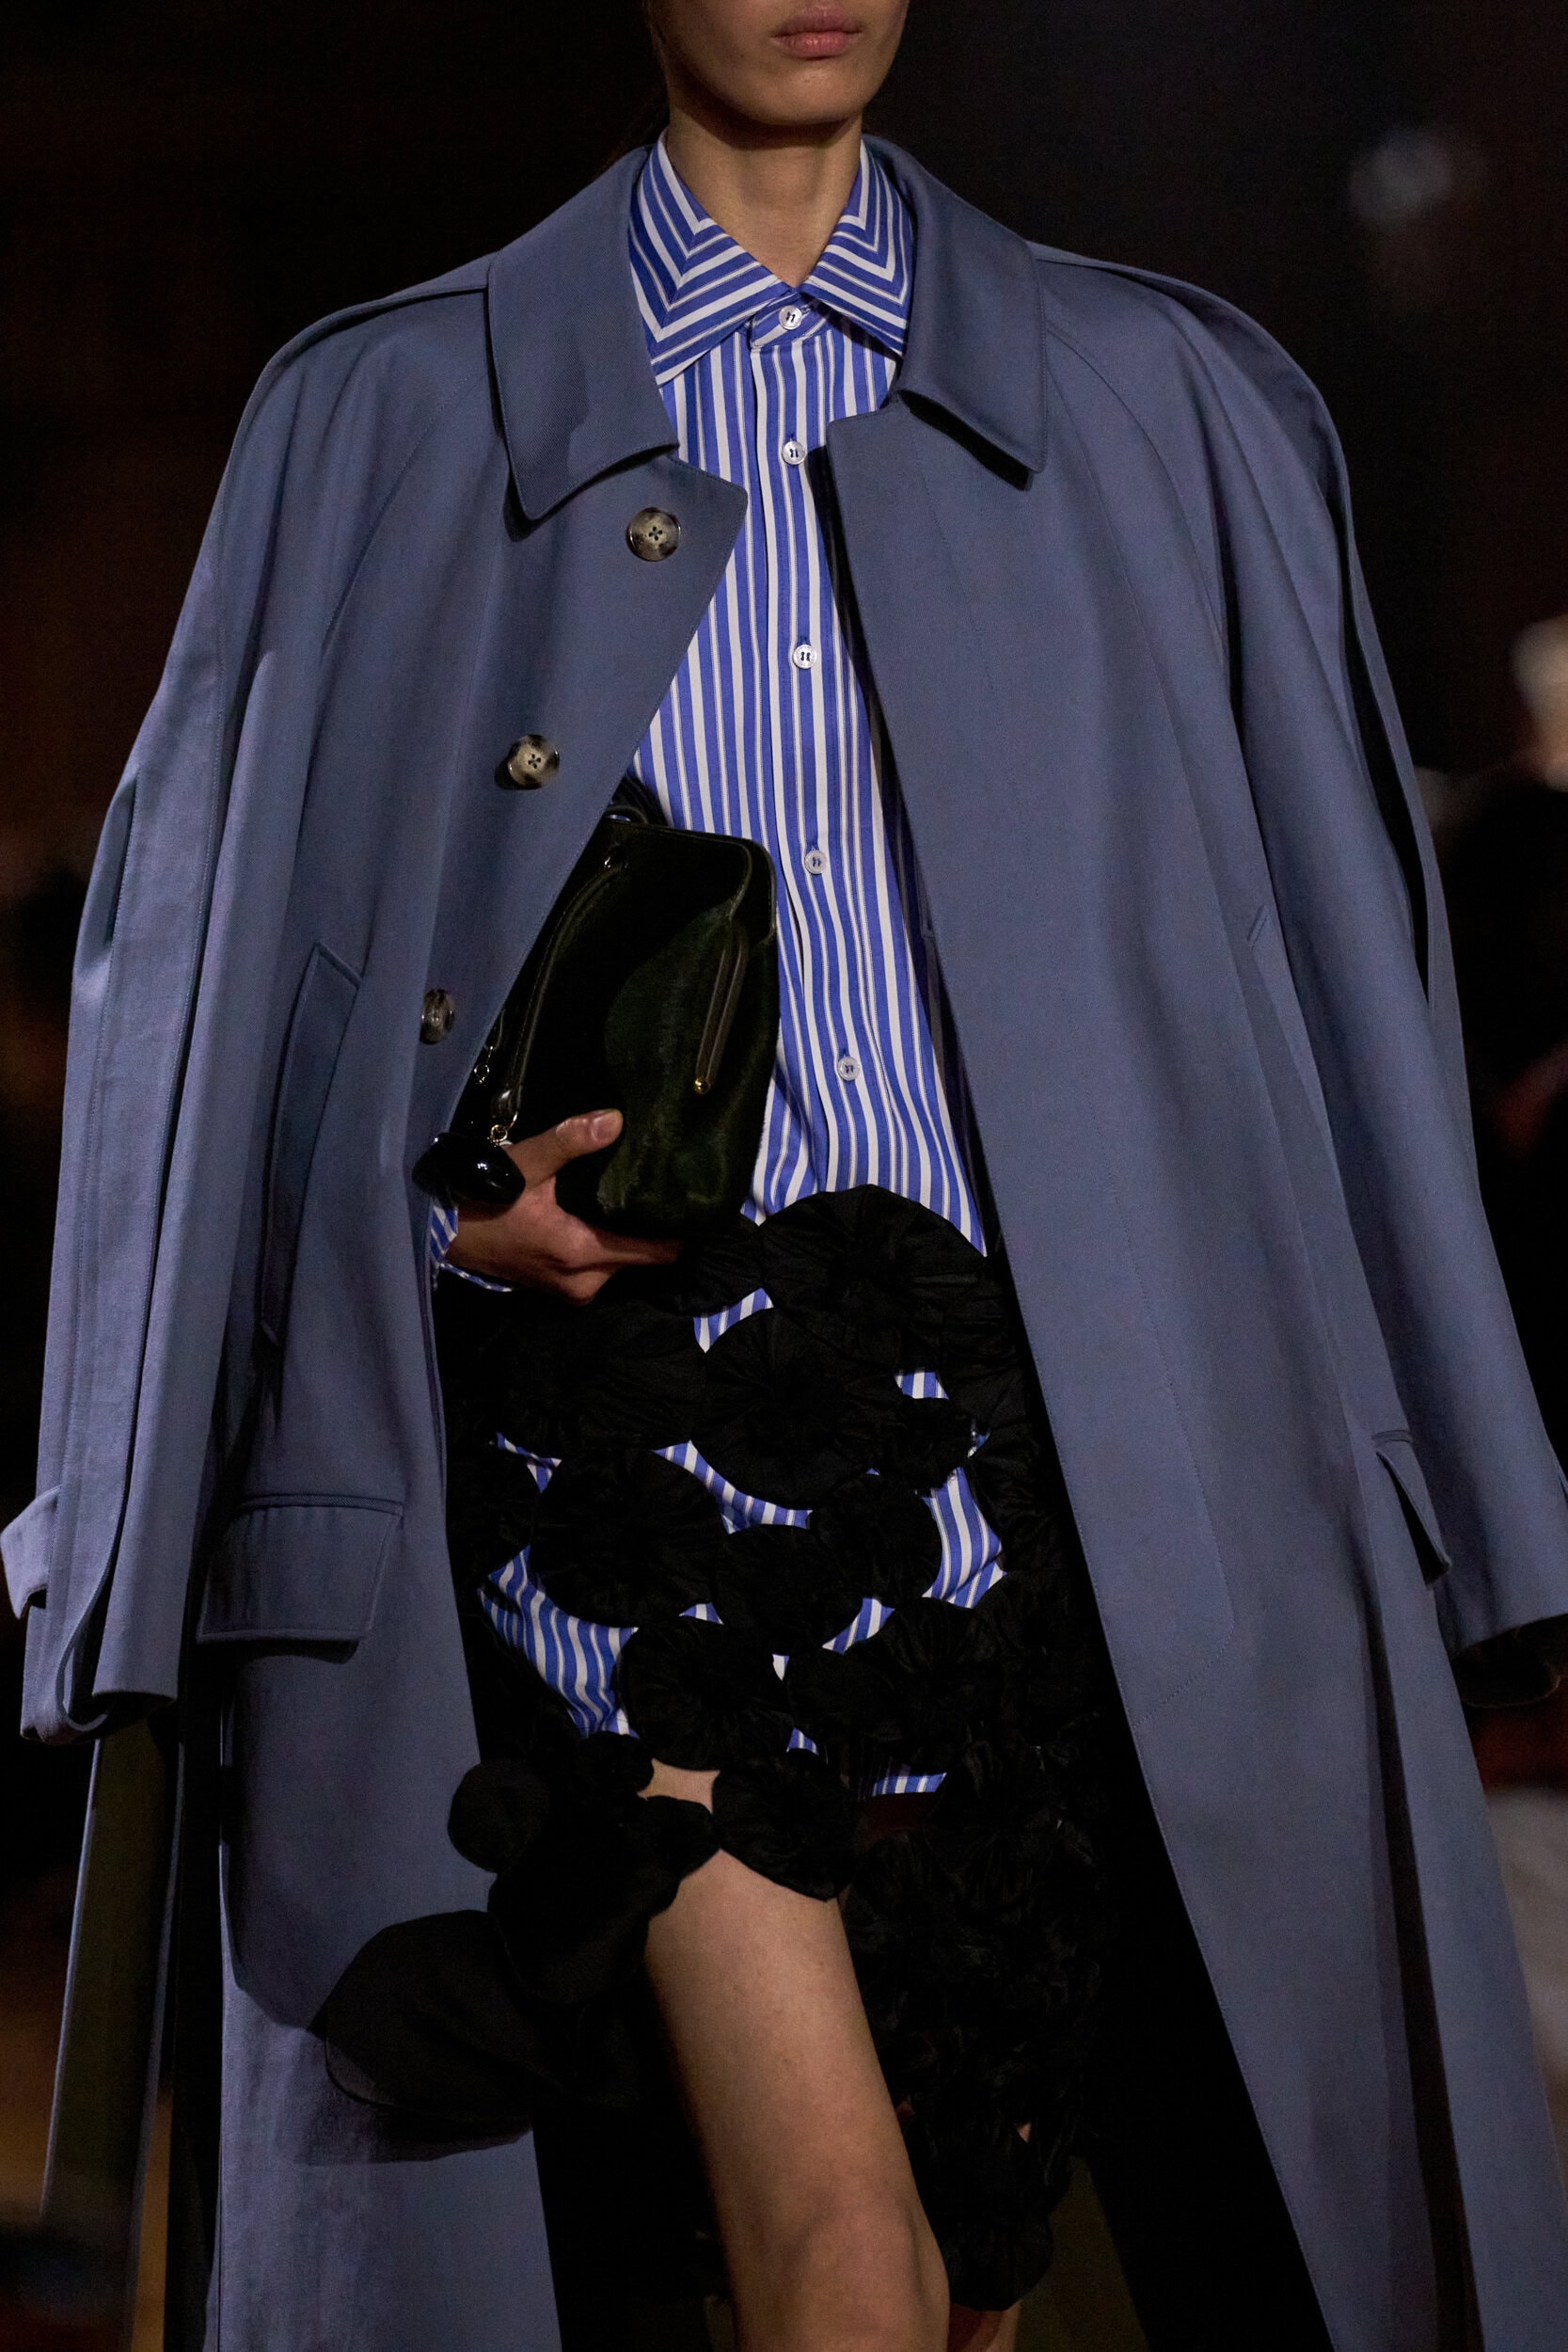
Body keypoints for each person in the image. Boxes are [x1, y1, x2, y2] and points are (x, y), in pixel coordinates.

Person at [8, 5, 1568, 2348]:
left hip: (1063, 1503)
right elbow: (221, 1007)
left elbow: (1346, 981)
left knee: (965, 2271)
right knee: (841, 2247)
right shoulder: (393, 416)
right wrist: (435, 1216)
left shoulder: (1164, 402)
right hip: (649, 1468)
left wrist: (1470, 1482)